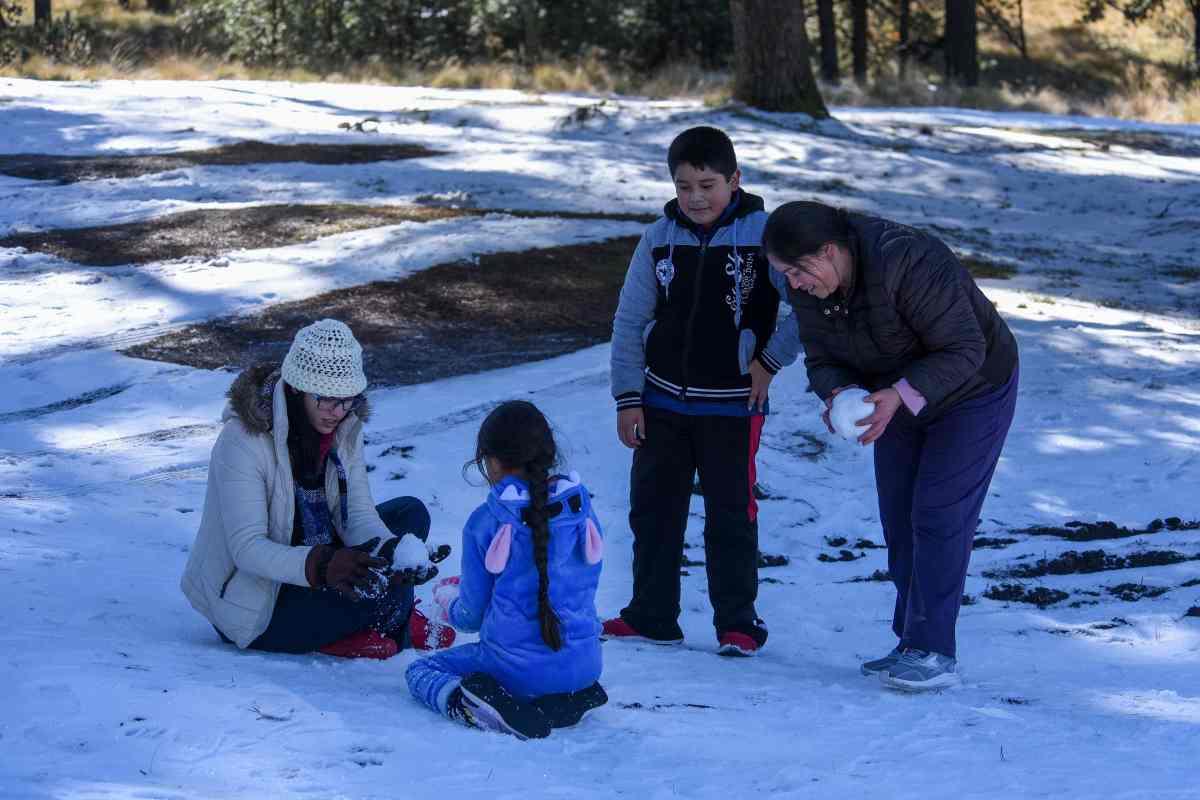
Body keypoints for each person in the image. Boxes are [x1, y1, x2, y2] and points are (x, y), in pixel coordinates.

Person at [762, 201, 1019, 691]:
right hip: (893, 392)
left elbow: (966, 347)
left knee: (938, 512)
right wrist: (840, 393)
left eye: (797, 271)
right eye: (785, 274)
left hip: (973, 389)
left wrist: (899, 394)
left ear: (829, 251)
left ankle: (934, 650)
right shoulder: (808, 287)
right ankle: (912, 643)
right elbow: (821, 358)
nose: (793, 284)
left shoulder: (907, 259)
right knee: (899, 515)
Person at [603, 125, 801, 657]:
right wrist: (628, 396)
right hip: (660, 402)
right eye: (684, 186)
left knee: (730, 513)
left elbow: (807, 305)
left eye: (707, 185)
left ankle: (737, 622)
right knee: (653, 510)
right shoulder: (658, 239)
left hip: (735, 408)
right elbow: (629, 321)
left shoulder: (765, 236)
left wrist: (769, 361)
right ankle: (652, 614)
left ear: (734, 180)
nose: (695, 197)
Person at [181, 319, 454, 659]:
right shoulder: (242, 440)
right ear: (297, 388)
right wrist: (323, 566)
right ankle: (387, 621)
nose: (337, 412)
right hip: (257, 601)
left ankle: (375, 618)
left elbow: (358, 515)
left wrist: (391, 551)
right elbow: (247, 549)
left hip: (323, 564)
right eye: (326, 399)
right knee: (375, 593)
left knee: (410, 515)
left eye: (347, 400)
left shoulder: (345, 425)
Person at [405, 401, 607, 740]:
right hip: (586, 666)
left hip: (516, 674)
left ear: (491, 460)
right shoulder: (580, 511)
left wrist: (448, 600)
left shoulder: (488, 522)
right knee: (553, 666)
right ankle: (564, 700)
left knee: (422, 670)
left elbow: (469, 618)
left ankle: (475, 705)